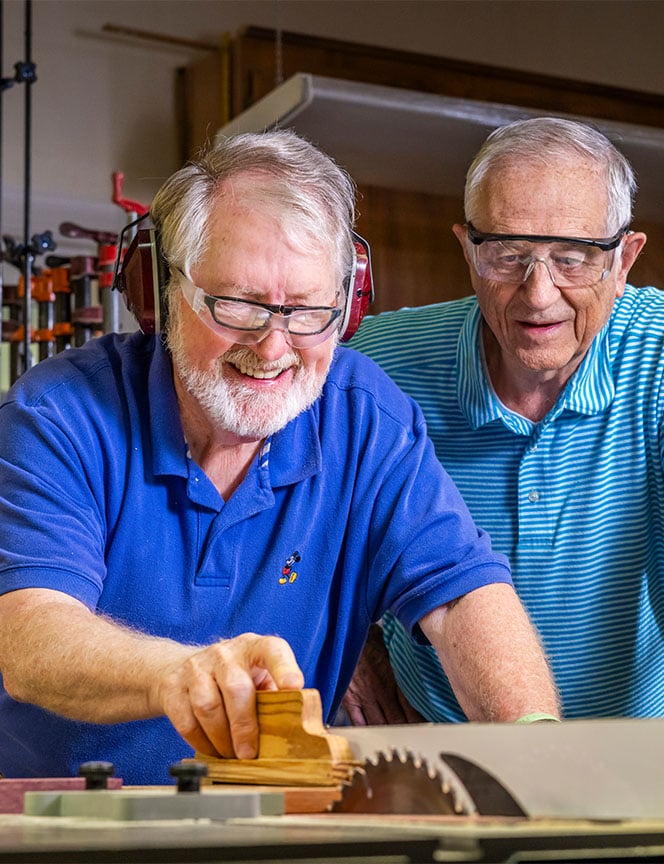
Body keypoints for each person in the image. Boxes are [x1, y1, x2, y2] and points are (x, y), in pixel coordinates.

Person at [0, 129, 558, 785]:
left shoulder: (362, 419)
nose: (272, 348)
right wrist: (182, 674)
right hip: (59, 834)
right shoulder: (59, 415)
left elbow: (464, 598)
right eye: (236, 305)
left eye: (307, 311)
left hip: (269, 827)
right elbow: (30, 636)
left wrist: (540, 755)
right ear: (161, 291)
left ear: (346, 306)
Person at [346, 116, 660, 725]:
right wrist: (353, 648)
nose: (538, 294)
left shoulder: (658, 356)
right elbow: (277, 514)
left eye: (572, 258)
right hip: (440, 745)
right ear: (467, 249)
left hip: (635, 746)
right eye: (508, 255)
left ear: (623, 261)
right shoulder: (375, 367)